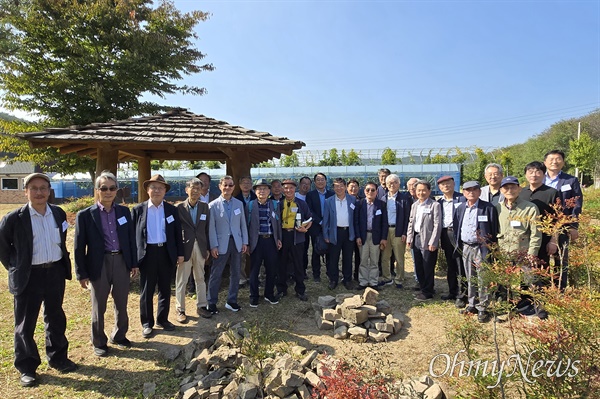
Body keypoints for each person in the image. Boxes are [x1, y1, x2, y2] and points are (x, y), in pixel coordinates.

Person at [0, 172, 77, 387]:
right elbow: (3, 248)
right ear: (25, 191)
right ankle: (27, 367)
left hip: (54, 273)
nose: (39, 192)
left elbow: (61, 241)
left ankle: (58, 358)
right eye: (34, 188)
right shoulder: (14, 218)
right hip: (28, 276)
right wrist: (16, 268)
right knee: (25, 325)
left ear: (49, 191)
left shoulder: (58, 214)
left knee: (55, 318)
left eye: (43, 188)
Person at [75, 171, 138, 357]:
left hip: (121, 261)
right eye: (104, 188)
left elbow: (130, 239)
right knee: (99, 305)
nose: (108, 192)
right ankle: (99, 341)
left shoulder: (124, 212)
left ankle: (119, 335)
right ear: (97, 190)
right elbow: (79, 247)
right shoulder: (85, 215)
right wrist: (81, 273)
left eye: (112, 188)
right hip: (98, 263)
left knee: (121, 301)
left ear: (116, 190)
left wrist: (133, 263)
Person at [133, 174, 184, 338]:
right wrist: (134, 259)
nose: (157, 190)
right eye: (153, 187)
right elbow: (132, 236)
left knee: (165, 288)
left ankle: (162, 319)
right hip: (147, 253)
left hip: (166, 252)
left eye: (160, 188)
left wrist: (180, 253)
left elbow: (177, 234)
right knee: (147, 290)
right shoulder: (138, 210)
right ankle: (147, 323)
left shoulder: (171, 210)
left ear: (165, 191)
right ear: (148, 190)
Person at [496, 176, 543, 317]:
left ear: (519, 188)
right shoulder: (497, 208)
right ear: (501, 190)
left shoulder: (530, 208)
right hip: (504, 250)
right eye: (506, 187)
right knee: (504, 280)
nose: (509, 190)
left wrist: (532, 252)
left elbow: (536, 233)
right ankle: (506, 306)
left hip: (523, 250)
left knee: (530, 279)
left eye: (513, 187)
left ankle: (535, 306)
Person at [453, 181, 499, 323]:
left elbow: (494, 228)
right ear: (464, 192)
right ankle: (472, 304)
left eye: (474, 190)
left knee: (482, 278)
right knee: (470, 277)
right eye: (468, 190)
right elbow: (456, 226)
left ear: (479, 192)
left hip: (481, 247)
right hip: (466, 247)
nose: (471, 192)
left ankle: (482, 307)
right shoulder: (461, 207)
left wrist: (491, 247)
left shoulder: (488, 207)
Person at [207, 176, 248, 313]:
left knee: (236, 273)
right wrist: (213, 245)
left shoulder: (239, 204)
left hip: (236, 243)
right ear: (220, 186)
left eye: (231, 185)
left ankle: (232, 300)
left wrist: (245, 242)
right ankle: (211, 302)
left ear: (234, 187)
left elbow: (243, 225)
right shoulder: (212, 205)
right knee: (216, 274)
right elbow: (211, 228)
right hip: (220, 244)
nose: (228, 188)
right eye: (225, 185)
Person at [544, 149, 583, 289]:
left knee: (561, 258)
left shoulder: (571, 180)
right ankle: (545, 289)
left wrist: (573, 226)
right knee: (543, 258)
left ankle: (561, 290)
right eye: (551, 159)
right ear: (545, 162)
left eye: (558, 159)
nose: (554, 161)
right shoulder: (538, 178)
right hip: (542, 224)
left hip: (563, 224)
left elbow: (577, 204)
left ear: (563, 162)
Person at [175, 178, 212, 323]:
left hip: (201, 246)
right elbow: (176, 231)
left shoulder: (204, 207)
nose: (195, 191)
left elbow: (207, 229)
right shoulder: (179, 208)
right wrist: (178, 250)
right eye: (192, 188)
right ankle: (180, 309)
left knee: (200, 278)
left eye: (198, 188)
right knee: (182, 280)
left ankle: (202, 306)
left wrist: (207, 247)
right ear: (186, 190)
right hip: (184, 247)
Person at [247, 179, 282, 307]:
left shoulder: (274, 204)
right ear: (255, 191)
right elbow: (246, 225)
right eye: (259, 189)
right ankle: (254, 296)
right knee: (254, 270)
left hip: (270, 240)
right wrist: (247, 242)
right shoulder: (250, 205)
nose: (262, 191)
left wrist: (278, 239)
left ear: (269, 191)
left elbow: (278, 223)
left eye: (265, 188)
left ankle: (269, 294)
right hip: (256, 241)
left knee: (271, 269)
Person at [406, 180, 442, 301]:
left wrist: (433, 242)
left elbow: (437, 224)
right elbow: (411, 222)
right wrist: (409, 237)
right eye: (418, 190)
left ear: (429, 191)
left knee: (428, 265)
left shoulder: (434, 205)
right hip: (416, 238)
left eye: (423, 190)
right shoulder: (415, 205)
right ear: (415, 192)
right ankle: (423, 288)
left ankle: (428, 292)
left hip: (428, 239)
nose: (421, 193)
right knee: (419, 265)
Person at [278, 179, 313, 301]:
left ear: (295, 189)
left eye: (291, 188)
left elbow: (310, 219)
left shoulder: (301, 204)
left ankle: (300, 290)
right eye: (286, 188)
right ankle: (281, 289)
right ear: (283, 189)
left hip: (297, 237)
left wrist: (305, 229)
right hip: (283, 236)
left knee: (298, 265)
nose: (288, 190)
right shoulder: (279, 204)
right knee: (281, 264)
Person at [519, 161, 559, 266]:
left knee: (541, 273)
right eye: (530, 172)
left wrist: (553, 241)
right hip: (523, 240)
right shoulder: (521, 192)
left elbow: (558, 219)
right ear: (525, 174)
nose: (534, 175)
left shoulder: (552, 193)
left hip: (544, 240)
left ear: (543, 174)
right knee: (524, 274)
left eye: (537, 172)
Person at [323, 178, 357, 290]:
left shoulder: (352, 199)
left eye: (341, 186)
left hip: (348, 232)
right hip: (335, 232)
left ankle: (347, 279)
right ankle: (333, 279)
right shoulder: (329, 201)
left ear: (345, 187)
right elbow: (326, 220)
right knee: (333, 258)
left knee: (348, 257)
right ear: (333, 188)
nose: (339, 188)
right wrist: (326, 235)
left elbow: (355, 219)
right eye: (336, 186)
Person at [436, 175, 466, 302]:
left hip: (459, 234)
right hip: (446, 234)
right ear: (439, 187)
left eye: (448, 183)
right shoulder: (439, 202)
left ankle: (463, 294)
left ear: (454, 184)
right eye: (443, 184)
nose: (446, 186)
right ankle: (452, 291)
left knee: (461, 265)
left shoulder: (462, 198)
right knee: (450, 264)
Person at [379, 174, 411, 288]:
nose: (392, 185)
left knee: (399, 257)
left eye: (394, 182)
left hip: (398, 230)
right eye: (389, 183)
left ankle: (399, 279)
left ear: (399, 184)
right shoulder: (382, 199)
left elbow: (408, 217)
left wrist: (404, 233)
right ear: (386, 185)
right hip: (385, 231)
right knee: (385, 256)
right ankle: (387, 278)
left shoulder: (404, 199)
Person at [355, 182, 388, 289]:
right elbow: (356, 222)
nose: (370, 192)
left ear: (376, 191)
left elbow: (384, 223)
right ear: (364, 191)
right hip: (363, 236)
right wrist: (358, 236)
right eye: (368, 190)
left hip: (376, 237)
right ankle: (363, 282)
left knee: (374, 260)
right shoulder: (359, 204)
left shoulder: (381, 204)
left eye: (373, 190)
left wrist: (383, 238)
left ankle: (373, 282)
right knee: (363, 260)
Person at [306, 173, 334, 282]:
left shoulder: (331, 194)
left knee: (330, 250)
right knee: (316, 250)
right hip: (316, 227)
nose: (320, 181)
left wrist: (328, 222)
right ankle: (316, 274)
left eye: (322, 179)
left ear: (326, 181)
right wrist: (321, 221)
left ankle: (329, 272)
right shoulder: (310, 195)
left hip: (329, 227)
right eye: (318, 180)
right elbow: (310, 211)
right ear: (315, 182)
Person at [234, 176, 256, 287]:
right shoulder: (235, 199)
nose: (246, 185)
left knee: (256, 256)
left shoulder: (257, 197)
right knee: (241, 256)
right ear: (239, 185)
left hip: (255, 231)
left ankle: (256, 278)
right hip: (241, 231)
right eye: (243, 182)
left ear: (252, 185)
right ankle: (241, 279)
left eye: (248, 183)